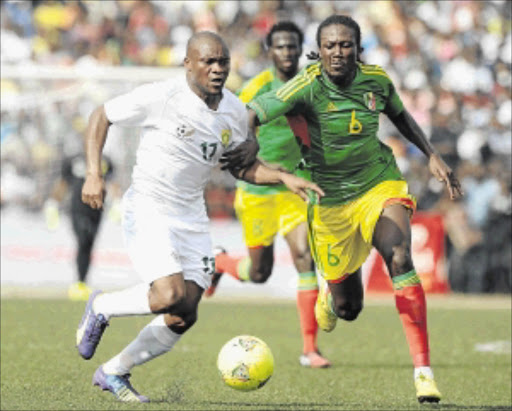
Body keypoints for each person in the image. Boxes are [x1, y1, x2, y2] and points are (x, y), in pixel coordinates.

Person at [226, 15, 463, 404]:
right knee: (349, 308)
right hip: (329, 201)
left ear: (358, 48)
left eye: (346, 45)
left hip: (378, 183)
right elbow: (252, 113)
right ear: (319, 52)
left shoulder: (376, 80)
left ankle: (423, 372)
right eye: (330, 46)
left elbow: (400, 115)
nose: (338, 52)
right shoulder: (305, 86)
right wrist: (249, 142)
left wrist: (431, 154)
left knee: (400, 256)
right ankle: (329, 296)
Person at [76, 31, 323, 403]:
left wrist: (282, 176)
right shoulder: (162, 97)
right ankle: (102, 306)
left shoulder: (235, 111)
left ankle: (114, 371)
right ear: (188, 63)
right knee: (168, 294)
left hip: (191, 215)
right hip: (149, 206)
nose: (217, 68)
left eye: (223, 61)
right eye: (208, 61)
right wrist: (93, 173)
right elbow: (101, 116)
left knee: (183, 313)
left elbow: (242, 167)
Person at [205, 21, 330, 369]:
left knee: (305, 256)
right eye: (281, 47)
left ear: (299, 48)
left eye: (293, 46)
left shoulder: (310, 86)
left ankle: (310, 349)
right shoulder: (256, 88)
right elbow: (236, 133)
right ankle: (220, 262)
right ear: (270, 51)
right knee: (259, 274)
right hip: (257, 189)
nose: (287, 52)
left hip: (296, 186)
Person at [44, 151, 117, 301]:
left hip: (97, 209)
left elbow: (111, 182)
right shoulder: (74, 159)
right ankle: (78, 283)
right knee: (83, 240)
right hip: (77, 208)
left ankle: (83, 282)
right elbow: (63, 183)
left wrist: (117, 201)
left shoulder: (105, 159)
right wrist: (53, 203)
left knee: (89, 244)